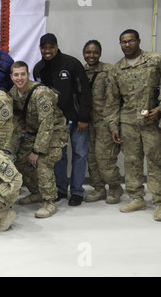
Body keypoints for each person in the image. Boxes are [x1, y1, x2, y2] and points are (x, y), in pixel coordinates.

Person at [105, 29, 161, 220]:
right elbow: (112, 101)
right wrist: (113, 126)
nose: (127, 45)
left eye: (130, 41)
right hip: (128, 122)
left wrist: (160, 108)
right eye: (123, 42)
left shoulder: (155, 60)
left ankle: (159, 201)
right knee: (131, 161)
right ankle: (136, 198)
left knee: (156, 161)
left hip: (151, 122)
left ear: (138, 41)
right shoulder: (117, 69)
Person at [33, 33, 92, 206]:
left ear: (57, 47)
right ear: (40, 49)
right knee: (59, 157)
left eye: (51, 47)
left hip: (76, 120)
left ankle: (77, 192)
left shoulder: (71, 64)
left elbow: (84, 92)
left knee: (80, 154)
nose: (47, 50)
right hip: (55, 123)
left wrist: (83, 117)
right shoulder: (38, 69)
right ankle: (60, 189)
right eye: (44, 47)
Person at [9, 61, 68, 218]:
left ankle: (50, 201)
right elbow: (16, 116)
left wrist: (37, 150)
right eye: (16, 75)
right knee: (19, 160)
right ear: (11, 77)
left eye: (23, 74)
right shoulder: (14, 93)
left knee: (42, 161)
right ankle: (37, 192)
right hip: (34, 132)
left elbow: (47, 123)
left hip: (54, 132)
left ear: (28, 75)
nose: (19, 78)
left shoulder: (40, 93)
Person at [82, 40, 123, 204]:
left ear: (100, 53)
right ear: (83, 53)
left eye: (95, 52)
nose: (91, 56)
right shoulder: (81, 70)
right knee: (91, 157)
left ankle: (114, 187)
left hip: (105, 122)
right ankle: (98, 188)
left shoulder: (109, 70)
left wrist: (114, 123)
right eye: (88, 52)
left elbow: (116, 98)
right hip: (87, 122)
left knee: (105, 157)